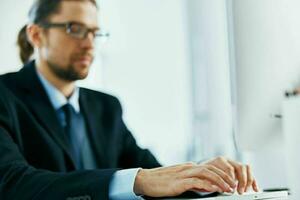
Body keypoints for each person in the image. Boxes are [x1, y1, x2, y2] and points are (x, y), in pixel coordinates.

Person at [0, 0, 259, 199]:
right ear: (36, 35)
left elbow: (154, 173)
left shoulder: (106, 107)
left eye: (94, 33)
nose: (89, 44)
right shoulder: (5, 96)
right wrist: (136, 181)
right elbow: (12, 183)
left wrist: (202, 175)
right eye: (75, 29)